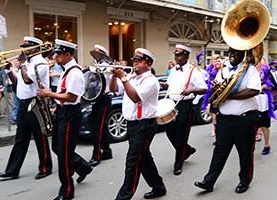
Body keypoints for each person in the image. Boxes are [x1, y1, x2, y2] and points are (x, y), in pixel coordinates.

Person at [194, 46, 261, 194]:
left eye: (235, 52)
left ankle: (245, 181)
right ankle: (209, 181)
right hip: (224, 119)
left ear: (243, 54)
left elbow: (254, 90)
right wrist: (215, 87)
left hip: (244, 120)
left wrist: (229, 96)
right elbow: (217, 88)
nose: (232, 55)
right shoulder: (224, 69)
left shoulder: (250, 70)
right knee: (220, 151)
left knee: (245, 152)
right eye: (230, 52)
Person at [36, 39, 93, 200]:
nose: (55, 56)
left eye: (58, 54)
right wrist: (56, 106)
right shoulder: (67, 69)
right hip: (63, 111)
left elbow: (72, 96)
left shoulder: (74, 72)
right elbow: (64, 95)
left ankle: (67, 191)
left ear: (67, 55)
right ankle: (83, 167)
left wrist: (49, 94)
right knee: (57, 147)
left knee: (64, 155)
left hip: (70, 114)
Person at [110, 48, 166, 200]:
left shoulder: (150, 80)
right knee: (144, 158)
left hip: (144, 125)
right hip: (132, 124)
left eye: (139, 62)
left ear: (148, 64)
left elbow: (136, 97)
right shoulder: (131, 77)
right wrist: (114, 76)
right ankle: (159, 187)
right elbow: (114, 89)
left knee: (133, 162)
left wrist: (122, 77)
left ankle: (124, 197)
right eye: (134, 61)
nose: (135, 64)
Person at [0, 36, 52, 180]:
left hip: (36, 103)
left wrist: (21, 64)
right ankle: (12, 170)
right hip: (23, 103)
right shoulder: (27, 63)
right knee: (20, 139)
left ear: (36, 49)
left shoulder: (40, 63)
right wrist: (9, 71)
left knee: (40, 137)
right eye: (24, 48)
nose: (24, 51)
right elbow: (18, 84)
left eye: (28, 49)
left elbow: (28, 80)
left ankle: (45, 167)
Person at [160, 44, 208, 176]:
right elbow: (170, 84)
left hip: (185, 105)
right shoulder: (174, 70)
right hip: (172, 103)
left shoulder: (194, 71)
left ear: (186, 56)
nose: (177, 58)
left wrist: (191, 90)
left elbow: (204, 89)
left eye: (179, 55)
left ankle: (178, 164)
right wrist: (165, 85)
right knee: (170, 132)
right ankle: (187, 150)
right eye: (175, 55)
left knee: (181, 136)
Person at [88, 44, 113, 167]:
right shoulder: (95, 65)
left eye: (97, 54)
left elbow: (101, 79)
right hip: (96, 98)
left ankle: (96, 155)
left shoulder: (106, 67)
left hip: (104, 99)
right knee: (100, 127)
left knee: (97, 128)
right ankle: (107, 151)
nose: (95, 56)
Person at [257, 62, 277, 155]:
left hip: (263, 101)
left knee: (264, 124)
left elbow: (275, 87)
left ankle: (266, 144)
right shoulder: (250, 72)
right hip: (251, 101)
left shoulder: (266, 73)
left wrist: (265, 86)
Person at [202, 54, 222, 137]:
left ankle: (218, 132)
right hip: (212, 95)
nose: (216, 62)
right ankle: (216, 130)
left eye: (218, 61)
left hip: (220, 96)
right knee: (210, 112)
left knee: (217, 115)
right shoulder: (212, 71)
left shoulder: (224, 72)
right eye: (215, 60)